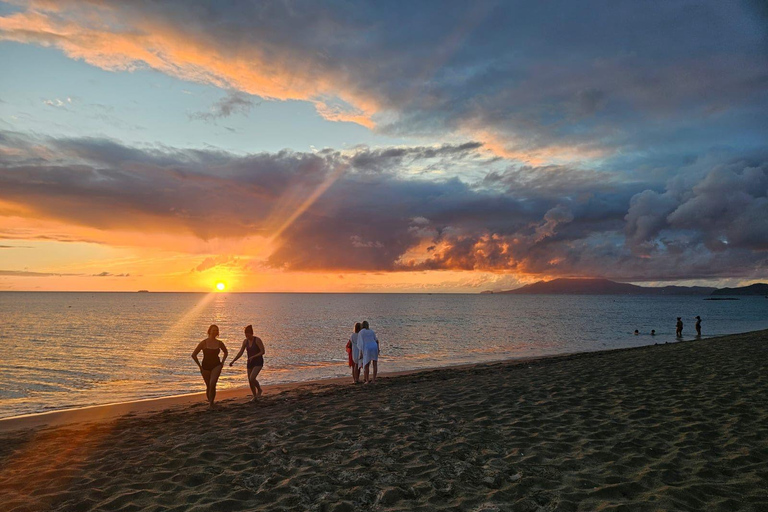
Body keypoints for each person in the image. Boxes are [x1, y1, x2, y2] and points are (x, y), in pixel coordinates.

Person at [192, 324, 228, 408]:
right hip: (205, 366)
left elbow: (226, 352)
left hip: (216, 365)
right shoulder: (203, 343)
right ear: (209, 331)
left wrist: (222, 362)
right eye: (213, 330)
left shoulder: (219, 343)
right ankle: (210, 402)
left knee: (212, 383)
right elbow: (194, 355)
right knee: (208, 385)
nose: (215, 331)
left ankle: (211, 403)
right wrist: (199, 366)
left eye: (216, 330)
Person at [230, 325, 265, 400]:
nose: (247, 336)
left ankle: (259, 389)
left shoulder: (257, 340)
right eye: (245, 334)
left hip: (258, 361)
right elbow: (241, 352)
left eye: (248, 334)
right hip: (250, 362)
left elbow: (263, 351)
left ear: (251, 333)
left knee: (252, 378)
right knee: (250, 380)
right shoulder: (245, 341)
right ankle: (255, 396)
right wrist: (233, 360)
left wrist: (254, 356)